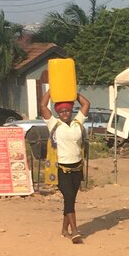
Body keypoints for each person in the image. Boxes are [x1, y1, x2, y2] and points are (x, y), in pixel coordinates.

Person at [39, 81, 90, 243]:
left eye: (67, 110)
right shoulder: (54, 124)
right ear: (58, 113)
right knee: (68, 197)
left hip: (77, 168)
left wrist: (72, 93)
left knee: (71, 200)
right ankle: (75, 232)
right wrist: (52, 89)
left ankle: (64, 229)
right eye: (61, 111)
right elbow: (43, 105)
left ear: (71, 111)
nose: (65, 113)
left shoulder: (77, 123)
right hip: (61, 169)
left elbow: (86, 104)